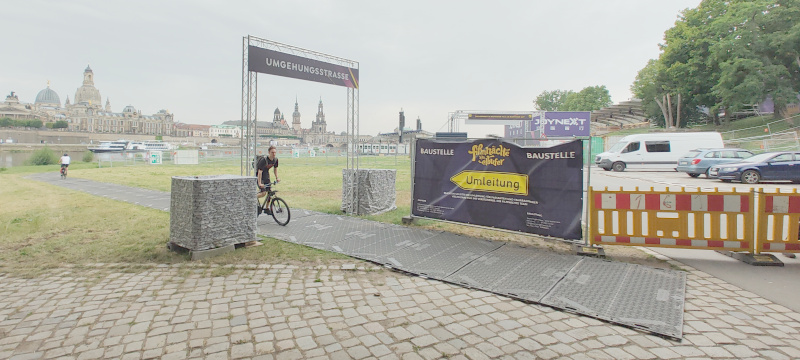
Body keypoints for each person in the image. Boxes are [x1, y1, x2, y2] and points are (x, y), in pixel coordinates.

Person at [256, 146, 279, 213]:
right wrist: (260, 183)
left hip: (266, 174)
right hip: (259, 175)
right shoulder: (264, 160)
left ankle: (266, 208)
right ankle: (253, 197)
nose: (274, 154)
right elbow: (259, 172)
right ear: (269, 152)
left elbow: (275, 169)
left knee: (270, 193)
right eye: (272, 152)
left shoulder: (275, 160)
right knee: (263, 193)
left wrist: (277, 178)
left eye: (275, 152)